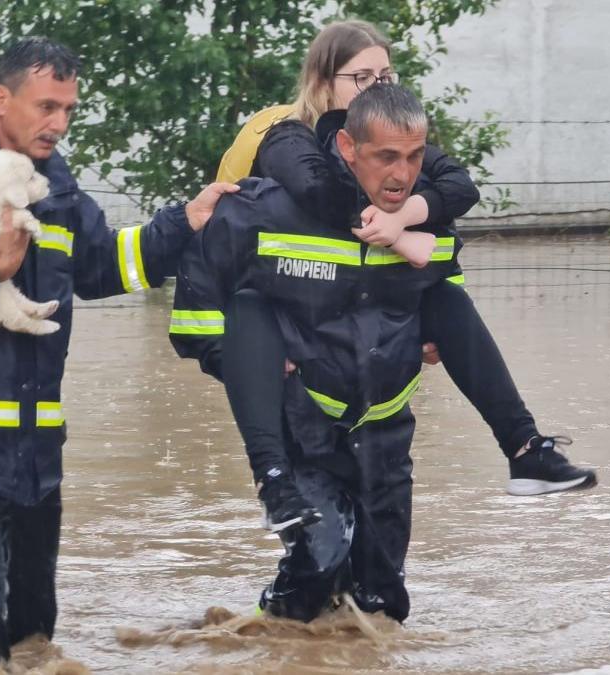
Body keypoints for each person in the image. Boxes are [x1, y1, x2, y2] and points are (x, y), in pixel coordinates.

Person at [0, 37, 236, 673]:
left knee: (33, 636)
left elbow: (102, 266)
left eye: (68, 109)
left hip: (34, 449)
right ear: (0, 99)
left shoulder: (53, 184)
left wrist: (185, 222)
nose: (58, 123)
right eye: (46, 106)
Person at [210, 19, 596, 497]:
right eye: (362, 78)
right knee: (318, 543)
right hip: (292, 333)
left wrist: (403, 220)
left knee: (443, 299)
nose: (377, 87)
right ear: (322, 82)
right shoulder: (288, 136)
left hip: (368, 331)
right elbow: (318, 190)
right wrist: (401, 238)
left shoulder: (393, 141)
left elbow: (459, 186)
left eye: (386, 76)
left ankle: (525, 449)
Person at [172, 83, 447, 623]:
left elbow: (442, 298)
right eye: (360, 77)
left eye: (412, 157)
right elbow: (195, 315)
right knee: (320, 560)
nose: (402, 170)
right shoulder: (269, 207)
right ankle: (261, 638)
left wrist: (427, 334)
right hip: (305, 419)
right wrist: (252, 363)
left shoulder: (416, 211)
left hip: (383, 430)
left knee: (382, 601)